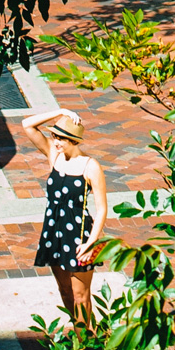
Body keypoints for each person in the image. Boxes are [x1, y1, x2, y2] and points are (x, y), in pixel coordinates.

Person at [22, 109, 108, 330]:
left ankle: (85, 346)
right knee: (65, 289)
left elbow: (101, 209)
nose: (56, 141)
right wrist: (60, 111)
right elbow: (27, 125)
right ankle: (84, 331)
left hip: (80, 235)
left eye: (61, 138)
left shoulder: (91, 166)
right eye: (55, 136)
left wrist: (91, 243)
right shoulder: (55, 155)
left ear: (73, 140)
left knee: (81, 295)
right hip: (54, 231)